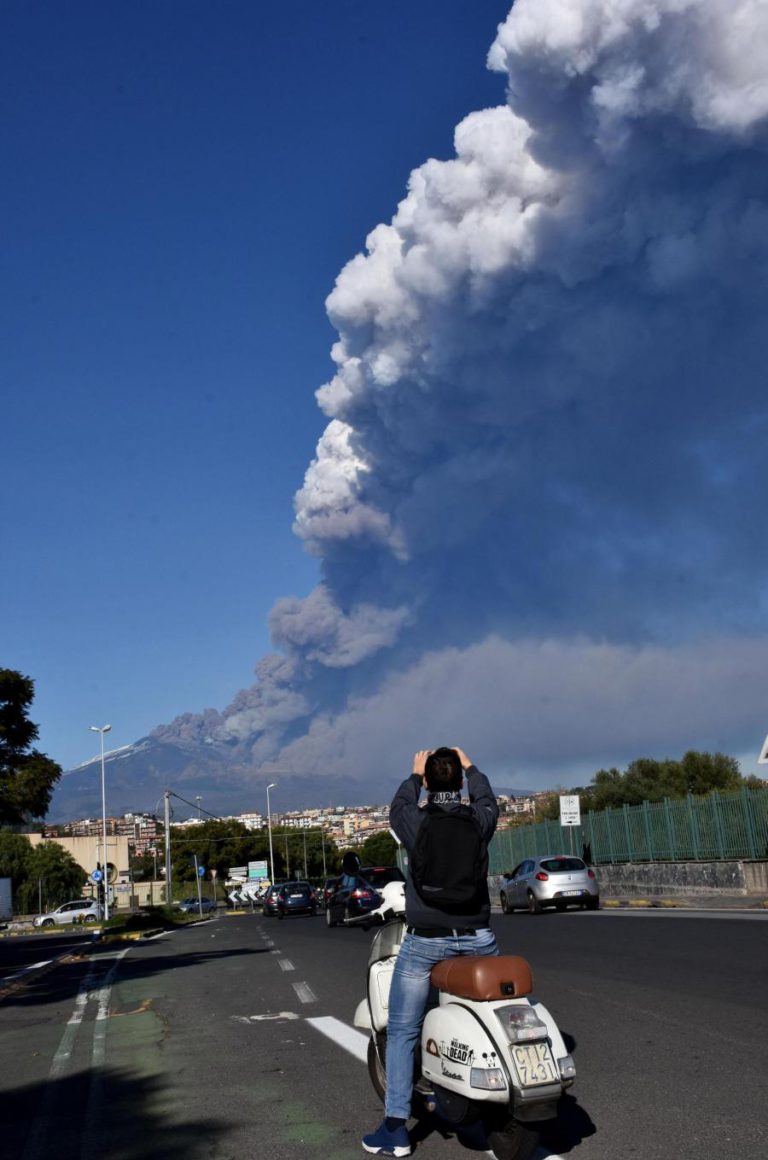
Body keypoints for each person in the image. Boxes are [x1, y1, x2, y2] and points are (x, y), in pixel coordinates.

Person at [362, 746, 499, 1158]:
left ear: (428, 780)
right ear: (459, 781)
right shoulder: (478, 818)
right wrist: (471, 766)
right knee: (492, 1014)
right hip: (478, 938)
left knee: (403, 1030)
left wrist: (414, 776)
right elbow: (488, 798)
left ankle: (395, 1129)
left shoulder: (415, 821)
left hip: (426, 940)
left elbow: (397, 805)